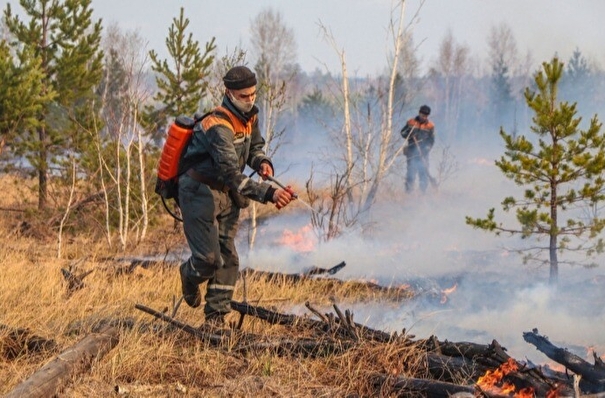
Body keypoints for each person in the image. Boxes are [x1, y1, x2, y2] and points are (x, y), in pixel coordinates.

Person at [178, 65, 294, 324]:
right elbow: (231, 172)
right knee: (208, 260)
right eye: (244, 95)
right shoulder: (217, 125)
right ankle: (188, 274)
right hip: (199, 192)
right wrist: (270, 194)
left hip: (228, 194)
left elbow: (254, 147)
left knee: (228, 257)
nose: (250, 99)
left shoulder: (250, 116)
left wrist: (262, 162)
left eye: (253, 94)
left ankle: (215, 320)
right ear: (229, 93)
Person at [400, 105, 435, 193]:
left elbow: (431, 140)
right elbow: (402, 132)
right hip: (411, 152)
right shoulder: (411, 122)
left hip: (423, 153)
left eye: (426, 116)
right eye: (423, 115)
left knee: (423, 173)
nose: (424, 117)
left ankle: (422, 193)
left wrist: (426, 149)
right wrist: (409, 134)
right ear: (419, 113)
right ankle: (408, 193)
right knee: (411, 173)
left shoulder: (430, 126)